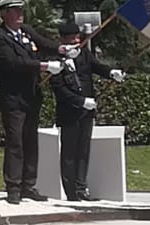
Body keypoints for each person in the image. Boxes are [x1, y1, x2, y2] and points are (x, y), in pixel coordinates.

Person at [0, 0, 62, 204]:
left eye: (21, 10)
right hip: (13, 98)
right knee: (15, 141)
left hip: (32, 95)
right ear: (5, 13)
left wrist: (63, 49)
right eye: (16, 11)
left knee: (30, 141)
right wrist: (44, 66)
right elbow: (12, 64)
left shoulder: (25, 32)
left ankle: (29, 184)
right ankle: (13, 186)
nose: (20, 15)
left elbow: (44, 44)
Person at [49, 20, 124, 201]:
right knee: (69, 153)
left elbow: (97, 67)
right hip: (70, 112)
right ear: (62, 41)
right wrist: (81, 101)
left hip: (86, 111)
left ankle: (82, 187)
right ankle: (71, 192)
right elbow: (59, 89)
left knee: (83, 151)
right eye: (71, 39)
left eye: (77, 38)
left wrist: (111, 72)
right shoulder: (56, 60)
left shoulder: (84, 54)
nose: (75, 42)